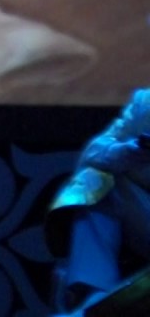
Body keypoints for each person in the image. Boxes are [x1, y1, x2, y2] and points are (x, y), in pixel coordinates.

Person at [47, 64, 150, 314]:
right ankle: (96, 293)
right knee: (96, 180)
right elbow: (92, 153)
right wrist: (127, 152)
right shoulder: (145, 103)